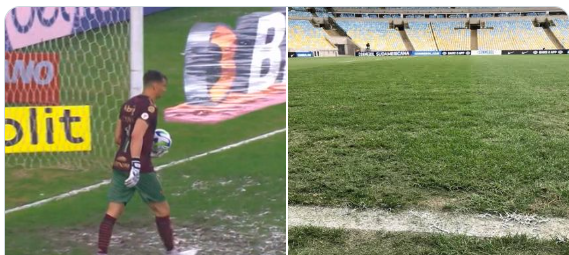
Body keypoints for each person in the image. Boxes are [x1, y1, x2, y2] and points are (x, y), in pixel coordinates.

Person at [97, 70, 177, 255]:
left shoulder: (128, 104)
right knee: (162, 209)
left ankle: (101, 251)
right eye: (163, 86)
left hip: (120, 163)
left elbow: (118, 138)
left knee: (113, 211)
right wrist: (136, 164)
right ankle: (172, 251)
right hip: (140, 167)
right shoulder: (149, 108)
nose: (164, 90)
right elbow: (136, 136)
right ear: (155, 85)